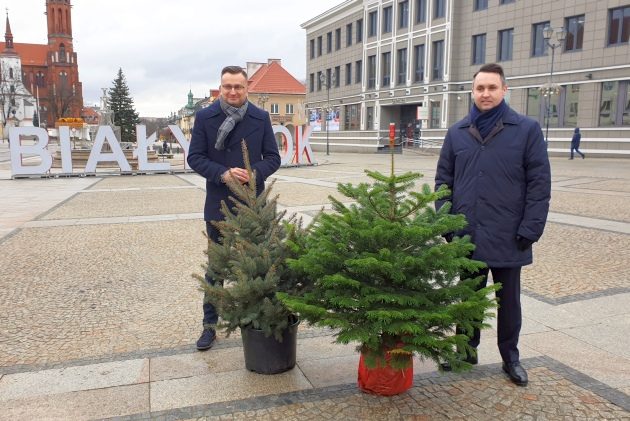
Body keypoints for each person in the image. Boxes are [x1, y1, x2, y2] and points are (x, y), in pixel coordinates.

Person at [435, 63, 551, 386]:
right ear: (472, 92)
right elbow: (443, 180)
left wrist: (530, 229)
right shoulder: (457, 132)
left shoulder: (526, 129)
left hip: (509, 236)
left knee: (509, 304)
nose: (485, 94)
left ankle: (510, 358)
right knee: (468, 298)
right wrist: (447, 223)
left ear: (504, 90)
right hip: (467, 235)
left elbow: (539, 183)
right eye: (480, 88)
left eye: (492, 88)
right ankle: (465, 352)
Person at [187, 65, 281, 350]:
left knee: (260, 265)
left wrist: (254, 174)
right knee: (217, 267)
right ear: (221, 88)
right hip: (218, 203)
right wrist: (222, 174)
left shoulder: (261, 117)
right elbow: (195, 157)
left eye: (238, 87)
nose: (232, 92)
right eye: (227, 86)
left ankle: (261, 322)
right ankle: (209, 326)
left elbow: (273, 157)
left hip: (253, 204)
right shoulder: (205, 117)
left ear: (246, 88)